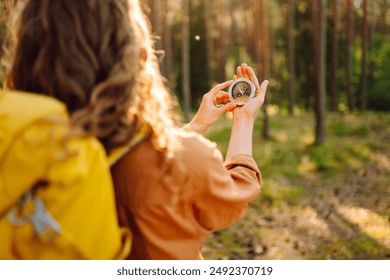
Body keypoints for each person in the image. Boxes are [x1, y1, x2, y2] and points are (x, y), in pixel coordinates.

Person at [3, 0, 268, 259]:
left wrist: (198, 125)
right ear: (133, 52)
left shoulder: (20, 148)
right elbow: (236, 195)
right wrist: (243, 120)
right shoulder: (181, 164)